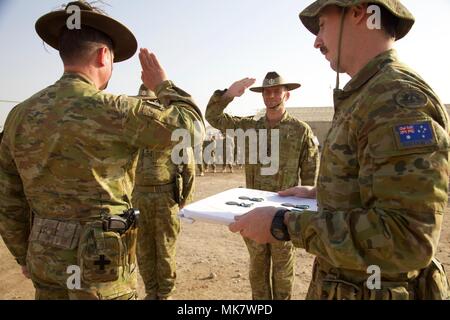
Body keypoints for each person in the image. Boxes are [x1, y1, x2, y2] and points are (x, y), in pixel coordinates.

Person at [229, 0, 450, 300]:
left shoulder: (395, 98)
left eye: (322, 25)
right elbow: (376, 192)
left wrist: (284, 223)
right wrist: (326, 193)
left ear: (359, 13)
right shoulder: (368, 94)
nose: (317, 41)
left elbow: (406, 239)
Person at [0, 1, 204, 300]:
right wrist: (163, 84)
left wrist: (25, 256)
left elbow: (7, 199)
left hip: (47, 263)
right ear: (103, 54)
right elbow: (191, 129)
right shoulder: (116, 110)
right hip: (102, 268)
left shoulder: (19, 114)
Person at [206, 72, 320, 300]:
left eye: (276, 91)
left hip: (284, 217)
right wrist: (229, 94)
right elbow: (214, 117)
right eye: (267, 91)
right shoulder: (249, 127)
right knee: (257, 273)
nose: (271, 95)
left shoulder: (300, 131)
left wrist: (303, 218)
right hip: (255, 213)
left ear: (286, 95)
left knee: (283, 274)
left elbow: (309, 181)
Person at [132, 84, 197, 300]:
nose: (145, 106)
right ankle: (151, 293)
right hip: (138, 198)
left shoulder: (172, 132)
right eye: (142, 102)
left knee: (165, 250)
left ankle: (165, 295)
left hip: (165, 198)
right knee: (143, 250)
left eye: (150, 102)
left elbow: (189, 169)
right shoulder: (130, 134)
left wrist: (185, 202)